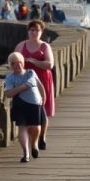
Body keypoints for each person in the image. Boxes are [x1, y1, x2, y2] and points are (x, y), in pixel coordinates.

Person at [14, 19, 55, 150]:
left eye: (37, 30)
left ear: (41, 32)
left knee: (42, 109)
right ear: (28, 31)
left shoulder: (45, 46)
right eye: (32, 30)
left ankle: (42, 136)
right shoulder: (21, 45)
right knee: (29, 109)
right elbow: (13, 61)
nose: (34, 32)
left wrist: (34, 61)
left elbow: (50, 64)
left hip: (42, 78)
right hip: (26, 80)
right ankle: (33, 141)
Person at [5, 51, 46, 162]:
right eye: (13, 63)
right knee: (22, 128)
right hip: (20, 104)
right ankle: (26, 154)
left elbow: (38, 85)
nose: (17, 65)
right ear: (10, 65)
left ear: (23, 63)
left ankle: (34, 144)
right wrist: (23, 86)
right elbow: (8, 94)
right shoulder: (9, 77)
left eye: (19, 62)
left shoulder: (30, 73)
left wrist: (43, 97)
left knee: (36, 127)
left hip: (34, 103)